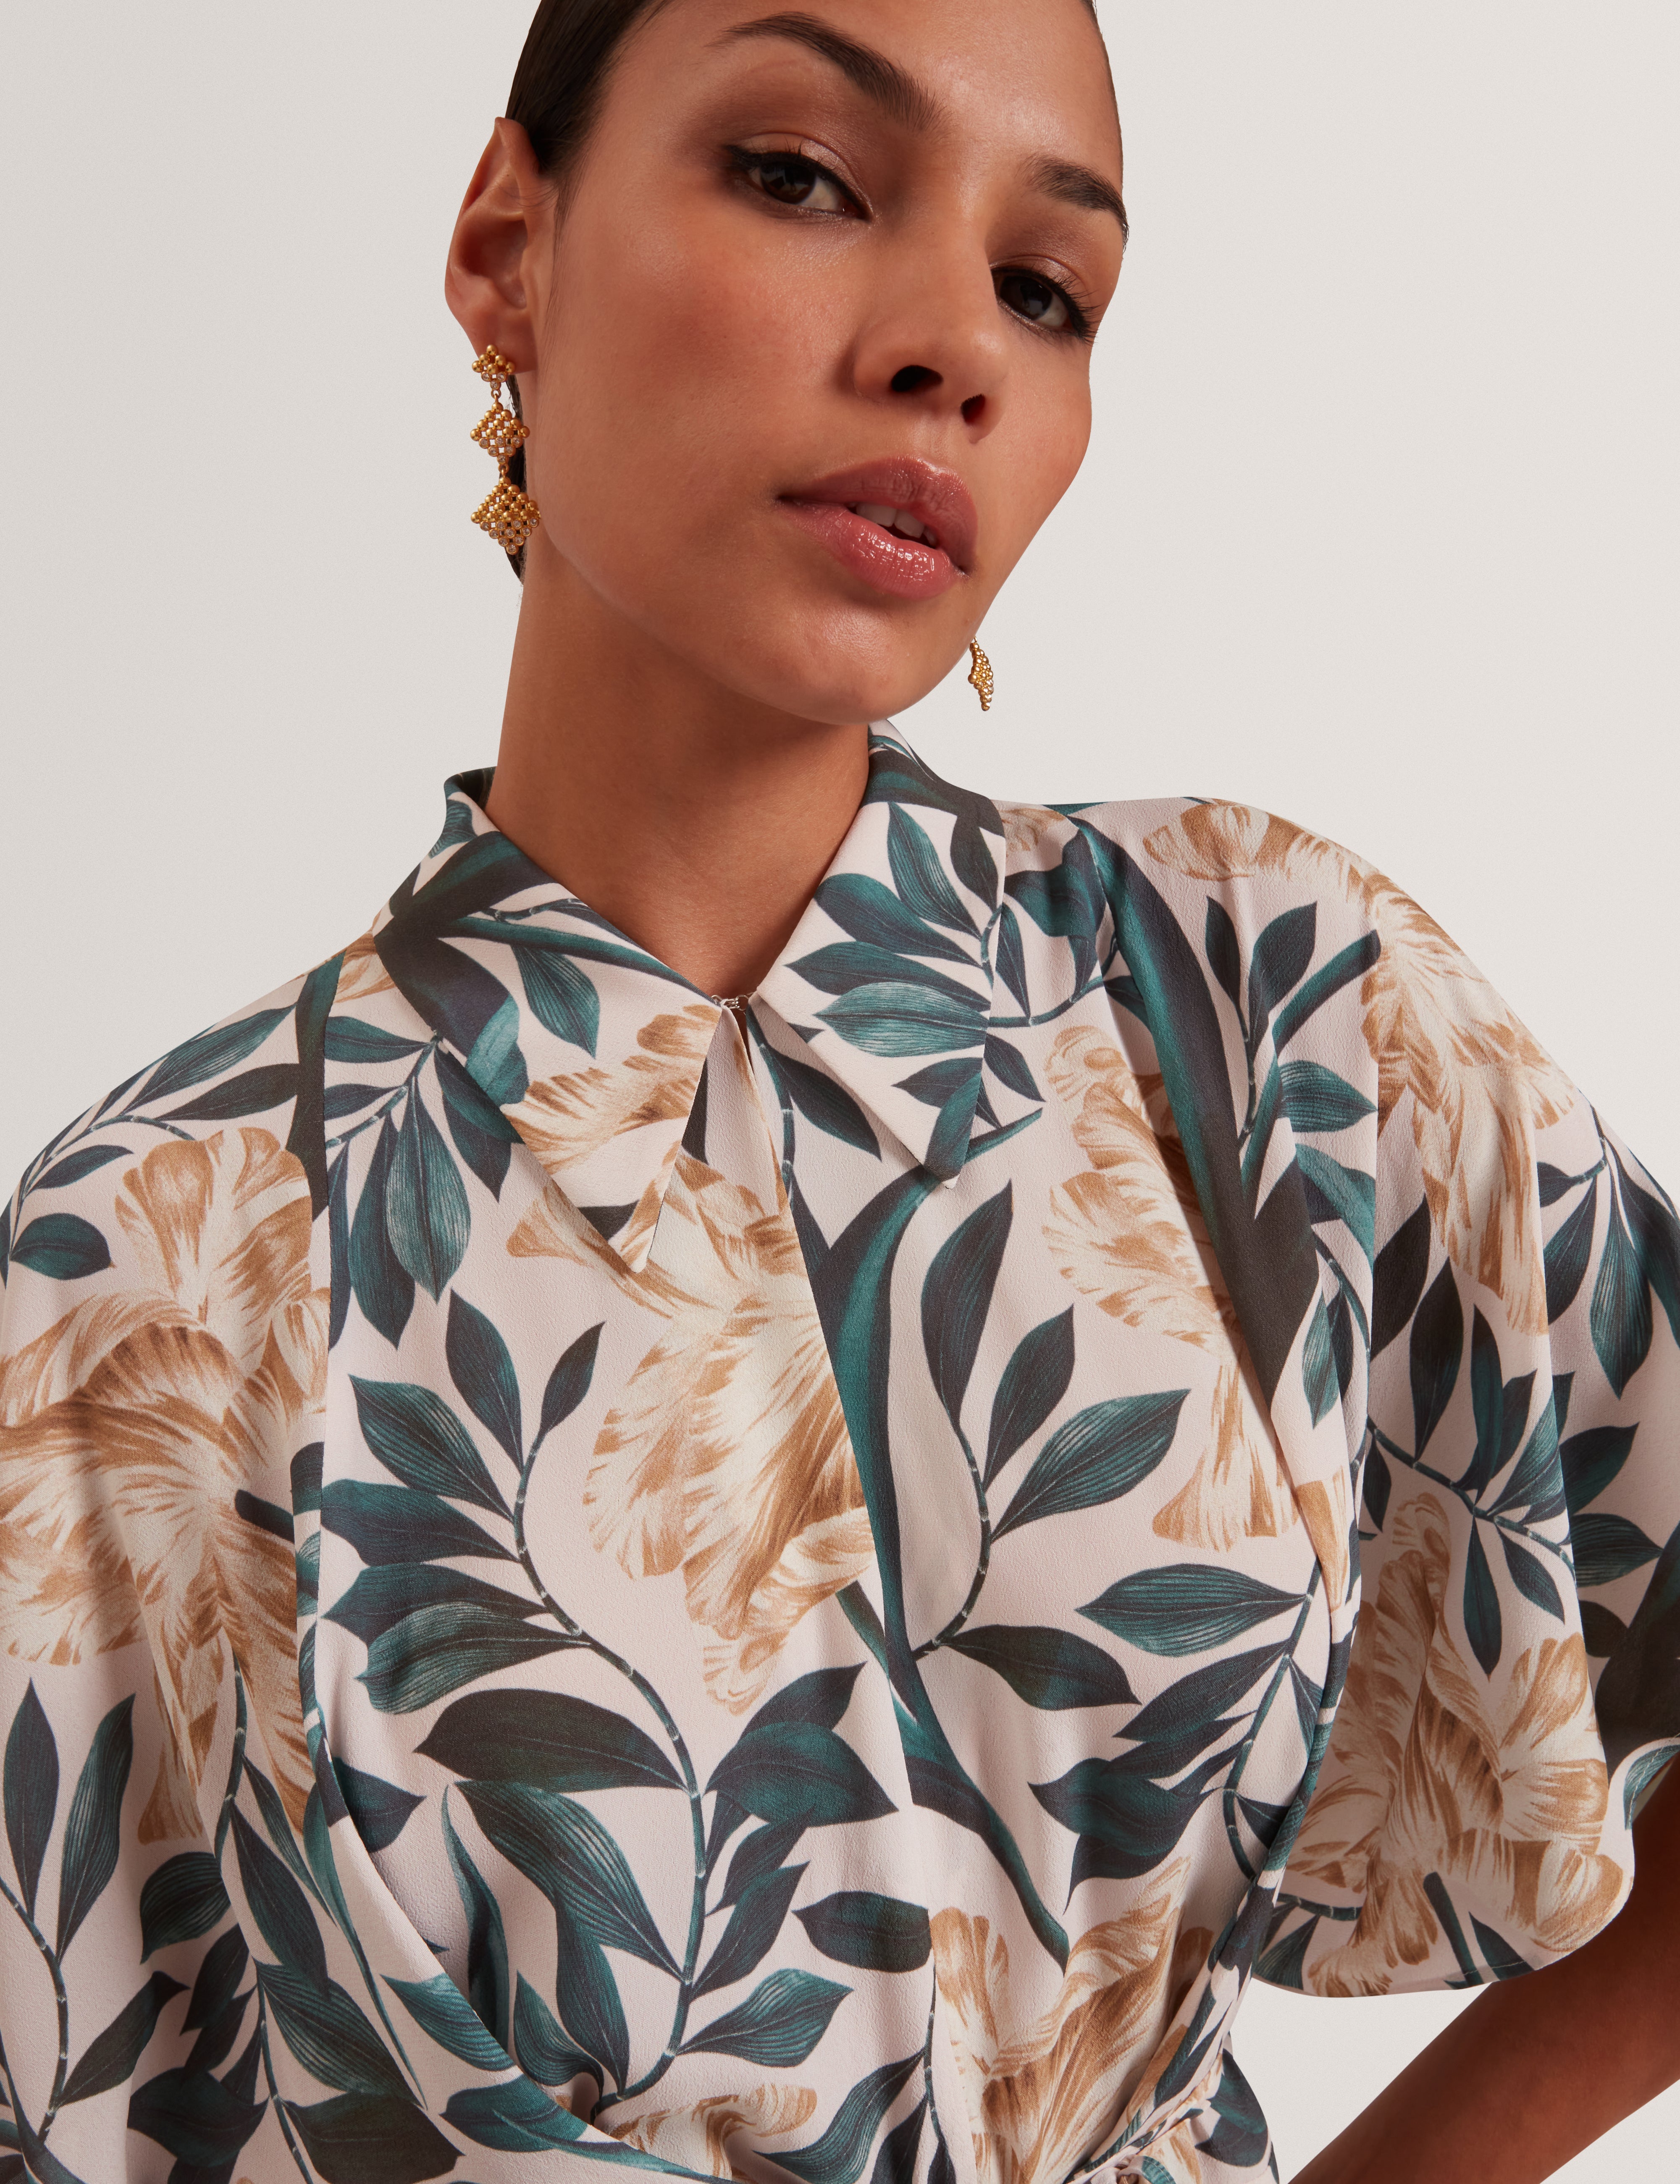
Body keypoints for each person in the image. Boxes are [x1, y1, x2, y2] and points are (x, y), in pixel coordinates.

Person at [1, 3, 1676, 2180]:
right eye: (800, 177)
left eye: (1045, 289)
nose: (952, 348)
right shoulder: (146, 1265)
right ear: (508, 244)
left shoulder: (1266, 1013)